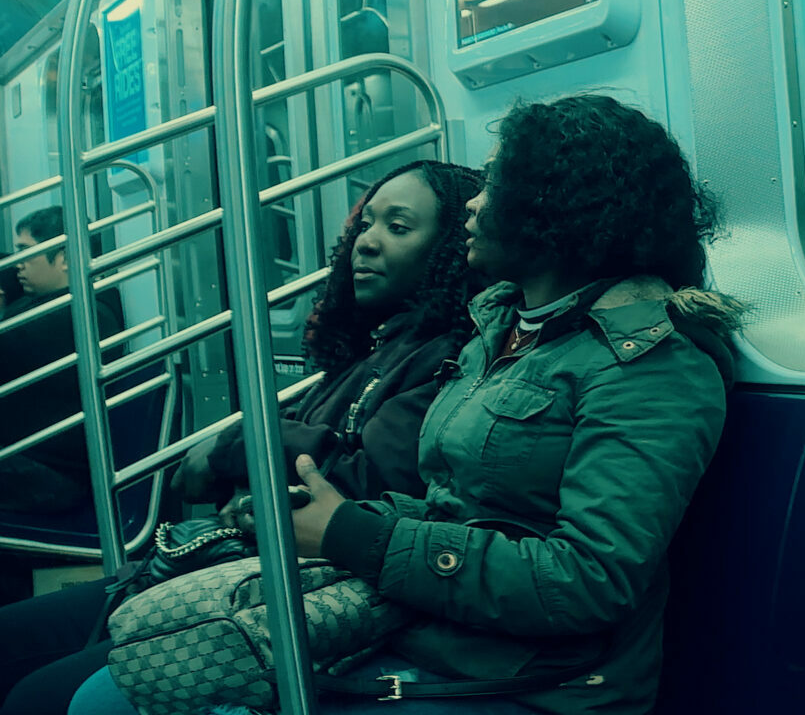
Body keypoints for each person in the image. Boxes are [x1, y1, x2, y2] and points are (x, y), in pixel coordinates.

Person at [68, 95, 739, 715]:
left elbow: (589, 579)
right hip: (435, 630)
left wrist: (355, 535)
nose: (474, 205)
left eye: (494, 182)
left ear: (554, 204)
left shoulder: (652, 364)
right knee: (122, 675)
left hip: (535, 681)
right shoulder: (504, 331)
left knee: (103, 701)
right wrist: (342, 519)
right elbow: (456, 505)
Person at [0, 162, 487, 714]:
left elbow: (369, 476)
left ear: (448, 245)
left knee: (37, 695)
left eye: (397, 228)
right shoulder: (373, 346)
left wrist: (239, 446)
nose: (367, 242)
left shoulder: (448, 354)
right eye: (366, 222)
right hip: (235, 561)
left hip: (288, 582)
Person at [1, 207, 129, 517]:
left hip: (50, 474)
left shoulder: (83, 315)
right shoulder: (44, 299)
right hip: (25, 460)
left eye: (26, 252)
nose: (17, 262)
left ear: (65, 258)